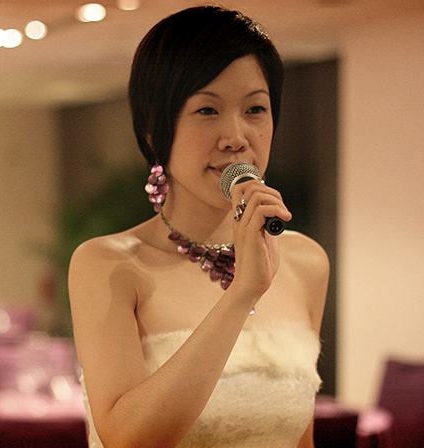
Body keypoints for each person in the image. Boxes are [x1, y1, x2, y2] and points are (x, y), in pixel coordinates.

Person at [68, 5, 329, 448]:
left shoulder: (305, 261)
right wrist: (242, 292)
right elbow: (126, 438)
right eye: (208, 110)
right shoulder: (108, 265)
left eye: (256, 109)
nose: (236, 137)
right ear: (154, 129)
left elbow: (300, 436)